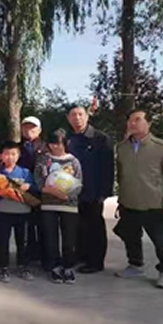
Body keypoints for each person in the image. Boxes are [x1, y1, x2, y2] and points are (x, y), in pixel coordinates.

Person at [114, 109, 163, 289]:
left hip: (154, 205)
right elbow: (121, 175)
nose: (132, 123)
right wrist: (121, 199)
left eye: (137, 119)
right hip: (129, 202)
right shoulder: (122, 148)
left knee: (161, 242)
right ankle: (135, 265)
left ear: (149, 123)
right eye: (130, 120)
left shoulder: (162, 148)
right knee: (130, 237)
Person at [66, 105, 114, 274]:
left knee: (94, 227)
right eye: (73, 115)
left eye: (80, 114)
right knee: (77, 226)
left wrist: (104, 192)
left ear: (87, 116)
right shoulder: (69, 139)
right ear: (68, 119)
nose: (77, 118)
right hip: (73, 191)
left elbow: (108, 167)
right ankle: (80, 256)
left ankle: (95, 261)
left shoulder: (101, 138)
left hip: (93, 191)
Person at [35, 129, 83, 284]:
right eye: (52, 143)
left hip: (69, 206)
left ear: (66, 143)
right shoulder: (43, 159)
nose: (55, 146)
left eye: (59, 143)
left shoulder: (73, 161)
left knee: (69, 239)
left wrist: (67, 196)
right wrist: (47, 190)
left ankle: (68, 267)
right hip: (48, 205)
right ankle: (54, 267)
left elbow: (79, 182)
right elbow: (38, 179)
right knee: (50, 238)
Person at [0, 141, 39, 283]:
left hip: (22, 211)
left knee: (23, 241)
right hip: (2, 211)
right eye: (6, 154)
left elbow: (35, 188)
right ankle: (4, 268)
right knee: (2, 241)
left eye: (13, 154)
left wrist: (28, 186)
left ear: (18, 156)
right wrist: (1, 191)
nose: (10, 157)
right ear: (1, 156)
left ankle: (23, 266)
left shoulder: (25, 172)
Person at [18, 116, 46, 265]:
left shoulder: (46, 147)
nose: (29, 130)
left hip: (43, 191)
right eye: (26, 127)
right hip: (23, 191)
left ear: (39, 130)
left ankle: (44, 254)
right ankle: (29, 253)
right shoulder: (17, 148)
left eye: (32, 127)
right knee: (26, 225)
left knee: (43, 225)